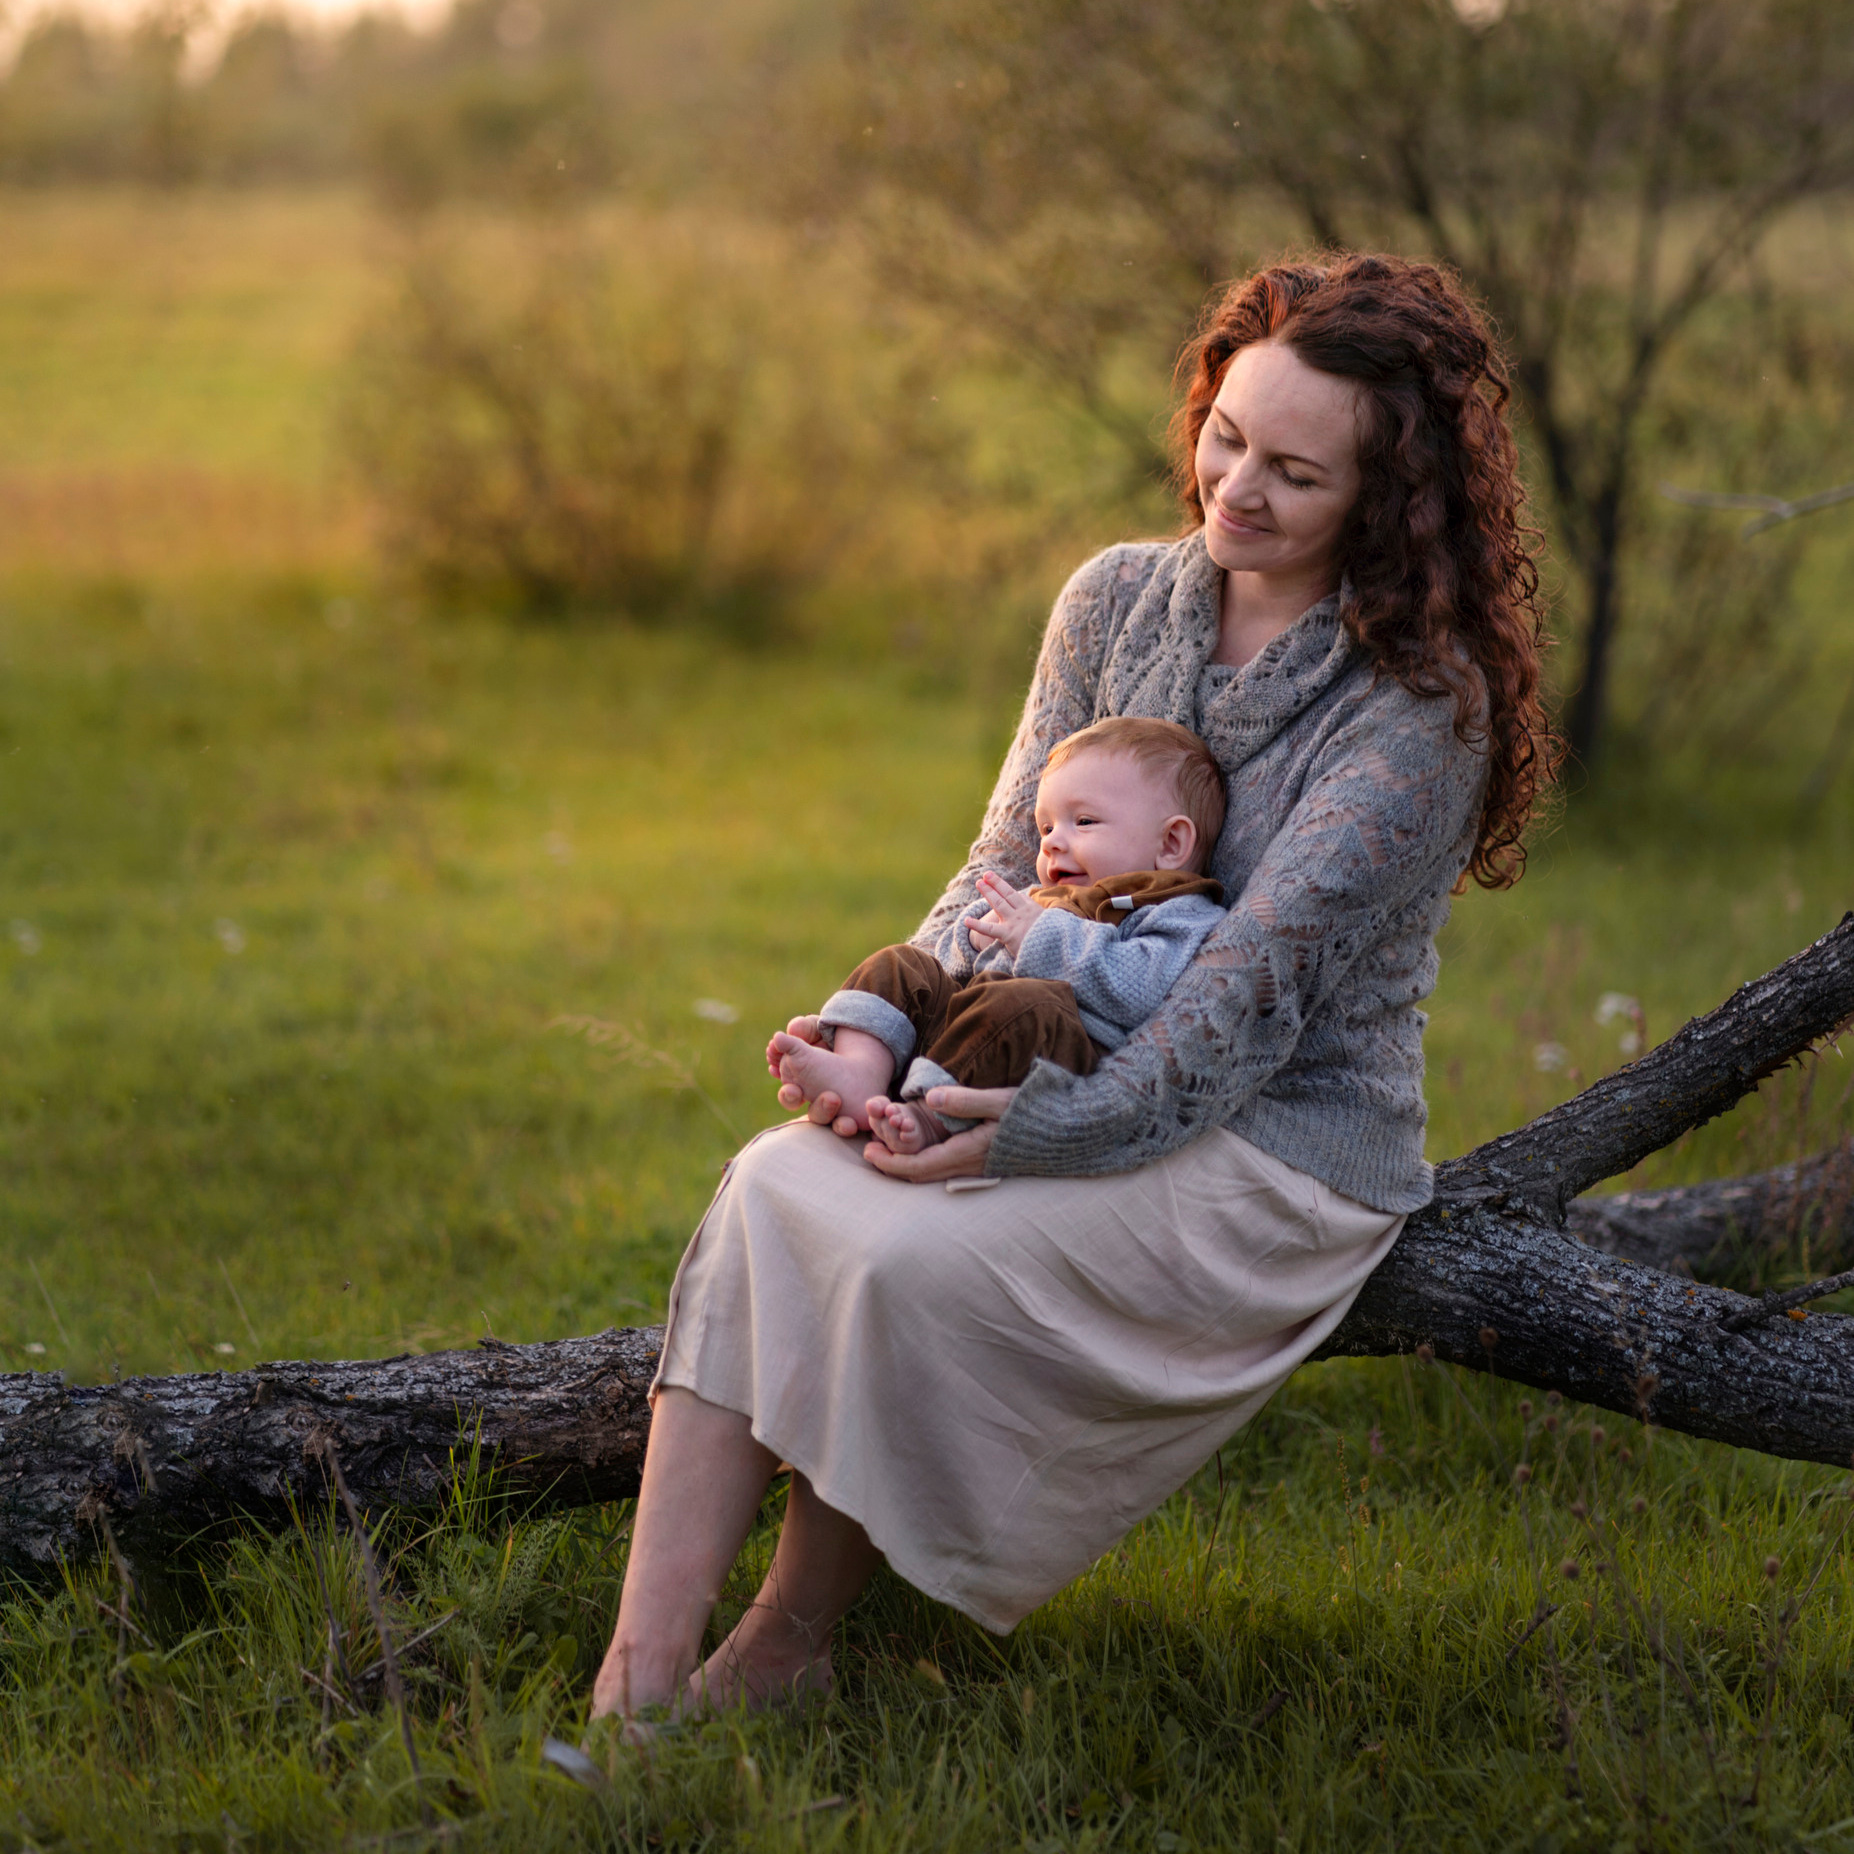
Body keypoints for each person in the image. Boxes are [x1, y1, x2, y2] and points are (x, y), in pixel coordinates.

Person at [589, 252, 1554, 1728]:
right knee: (774, 1187)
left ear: (1386, 495)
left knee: (909, 1260)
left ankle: (783, 1642)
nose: (1236, 489)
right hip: (1030, 1057)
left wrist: (1022, 1131)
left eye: (1295, 472)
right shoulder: (1111, 599)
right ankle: (631, 1689)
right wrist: (894, 1045)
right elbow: (991, 877)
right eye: (1226, 438)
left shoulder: (1417, 708)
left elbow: (1236, 1013)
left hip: (1270, 1142)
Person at [769, 716, 1228, 1153]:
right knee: (902, 963)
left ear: (1171, 844)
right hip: (966, 1031)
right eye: (1046, 827)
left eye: (1083, 822)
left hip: (1055, 1047)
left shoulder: (1178, 912)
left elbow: (1144, 992)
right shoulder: (1040, 896)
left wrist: (1039, 936)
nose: (1050, 842)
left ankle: (930, 1117)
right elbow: (952, 964)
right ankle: (860, 1070)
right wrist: (971, 940)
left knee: (1019, 1003)